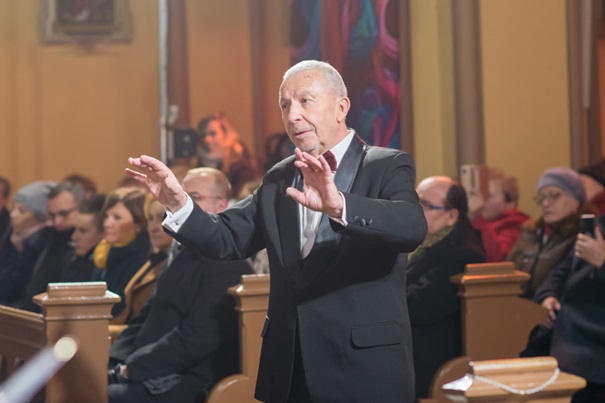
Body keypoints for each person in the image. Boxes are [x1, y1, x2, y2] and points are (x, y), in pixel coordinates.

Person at [127, 60, 427, 403]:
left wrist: (340, 205)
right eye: (285, 105)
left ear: (341, 107)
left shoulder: (385, 164)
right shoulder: (280, 177)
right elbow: (226, 238)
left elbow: (411, 226)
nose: (293, 115)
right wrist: (179, 203)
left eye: (305, 101)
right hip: (290, 368)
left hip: (362, 367)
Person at [108, 167, 253, 402]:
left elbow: (197, 338)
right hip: (151, 370)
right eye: (180, 197)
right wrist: (114, 360)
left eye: (193, 198)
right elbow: (145, 318)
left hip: (187, 380)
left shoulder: (228, 263)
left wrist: (132, 368)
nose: (182, 205)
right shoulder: (181, 252)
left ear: (222, 205)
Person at [407, 176, 486, 398]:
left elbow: (419, 304)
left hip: (432, 359)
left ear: (451, 216)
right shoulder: (429, 240)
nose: (416, 209)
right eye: (415, 201)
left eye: (426, 205)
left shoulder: (462, 253)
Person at [533, 215, 605, 402]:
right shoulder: (599, 225)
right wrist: (547, 296)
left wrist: (602, 262)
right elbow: (560, 271)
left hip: (593, 343)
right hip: (566, 337)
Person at [507, 167, 596, 299]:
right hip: (519, 308)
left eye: (555, 195)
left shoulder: (583, 236)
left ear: (576, 200)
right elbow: (507, 270)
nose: (546, 203)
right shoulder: (530, 232)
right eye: (541, 198)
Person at [12, 182, 86, 312]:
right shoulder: (47, 236)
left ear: (81, 208)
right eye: (52, 215)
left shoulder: (82, 242)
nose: (57, 221)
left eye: (64, 214)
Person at [109, 193, 174, 333]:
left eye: (162, 217)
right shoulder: (153, 261)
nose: (154, 227)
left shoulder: (173, 264)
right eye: (150, 219)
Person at [92, 187, 150, 317]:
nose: (107, 223)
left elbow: (118, 308)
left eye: (117, 218)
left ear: (138, 224)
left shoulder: (141, 261)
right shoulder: (104, 253)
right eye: (106, 216)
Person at [0, 181, 55, 306]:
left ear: (39, 216)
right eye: (13, 208)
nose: (13, 215)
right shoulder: (11, 238)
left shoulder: (44, 244)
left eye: (22, 211)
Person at [469, 168, 530, 262]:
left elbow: (498, 259)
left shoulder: (515, 224)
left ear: (510, 202)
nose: (482, 201)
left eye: (489, 196)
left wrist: (477, 218)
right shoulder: (479, 222)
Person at [196, 112, 261, 198]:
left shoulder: (239, 157)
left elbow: (245, 189)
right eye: (203, 135)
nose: (207, 140)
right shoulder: (202, 158)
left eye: (213, 134)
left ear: (225, 133)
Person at [60, 193, 106, 282]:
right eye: (75, 229)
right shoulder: (70, 257)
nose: (73, 237)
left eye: (83, 231)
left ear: (103, 233)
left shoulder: (103, 268)